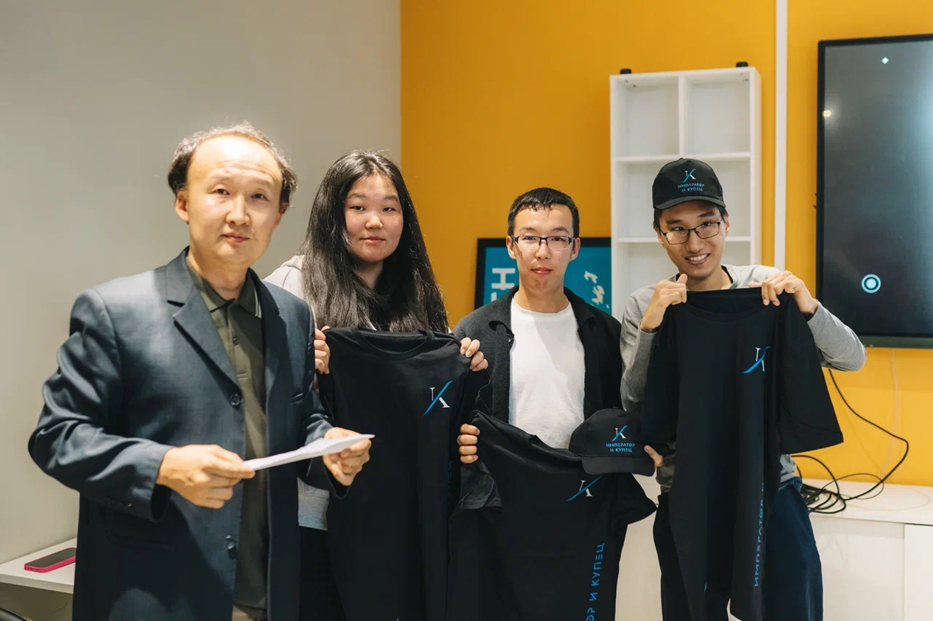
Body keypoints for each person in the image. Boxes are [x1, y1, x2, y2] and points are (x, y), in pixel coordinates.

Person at [28, 123, 372, 621]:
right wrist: (163, 467)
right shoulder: (116, 311)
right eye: (220, 191)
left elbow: (303, 419)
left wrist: (329, 447)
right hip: (155, 598)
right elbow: (57, 437)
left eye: (259, 197)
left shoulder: (291, 315)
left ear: (278, 215)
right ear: (184, 202)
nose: (239, 213)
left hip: (268, 594)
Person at [620, 158, 866, 621]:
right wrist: (652, 326)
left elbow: (852, 357)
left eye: (706, 224)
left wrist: (807, 306)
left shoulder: (766, 289)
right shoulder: (645, 305)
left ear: (726, 222)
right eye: (677, 229)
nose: (695, 243)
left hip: (771, 485)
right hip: (687, 492)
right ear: (660, 233)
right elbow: (636, 405)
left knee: (791, 609)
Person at [265, 150, 486, 620]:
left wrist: (462, 366)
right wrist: (298, 365)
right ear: (333, 213)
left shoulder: (418, 296)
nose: (374, 221)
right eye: (358, 206)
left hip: (396, 516)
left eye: (389, 208)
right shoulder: (293, 285)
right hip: (310, 518)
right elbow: (252, 389)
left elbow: (428, 401)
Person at [454, 187, 624, 459]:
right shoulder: (474, 331)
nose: (543, 252)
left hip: (582, 479)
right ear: (511, 246)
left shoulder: (606, 332)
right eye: (530, 238)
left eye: (557, 238)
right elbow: (453, 419)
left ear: (574, 248)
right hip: (504, 480)